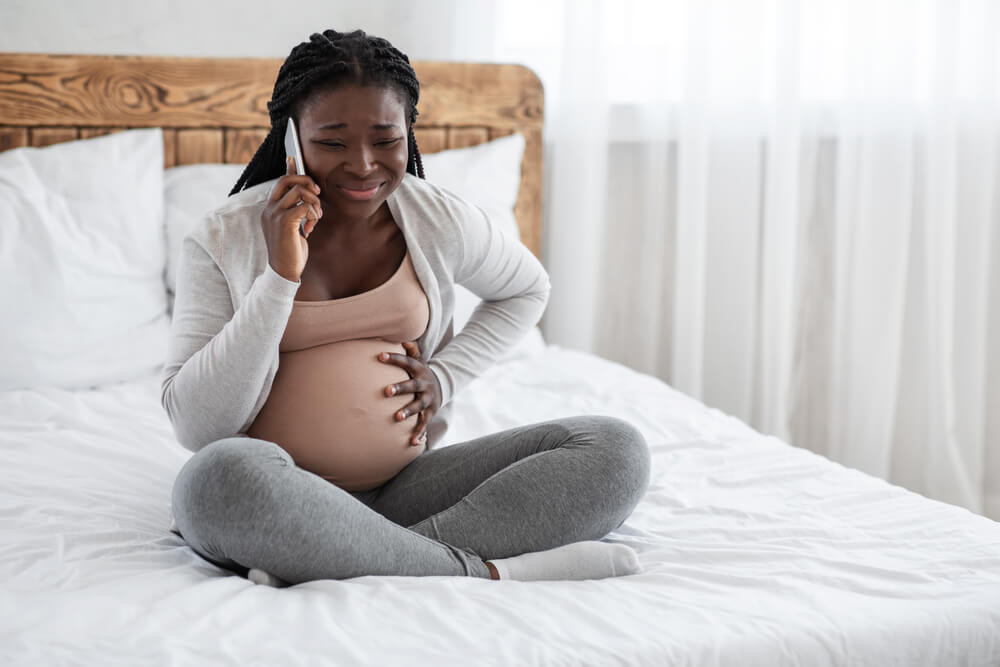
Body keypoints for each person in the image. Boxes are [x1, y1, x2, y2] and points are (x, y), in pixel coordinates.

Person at [163, 28, 651, 586]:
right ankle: (484, 570)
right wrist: (279, 274)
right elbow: (198, 425)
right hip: (276, 485)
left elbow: (526, 289)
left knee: (614, 450)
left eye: (384, 139)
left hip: (405, 491)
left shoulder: (436, 217)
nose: (364, 165)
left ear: (409, 134)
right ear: (292, 139)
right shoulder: (224, 236)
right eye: (333, 142)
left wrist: (444, 377)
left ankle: (337, 553)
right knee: (217, 479)